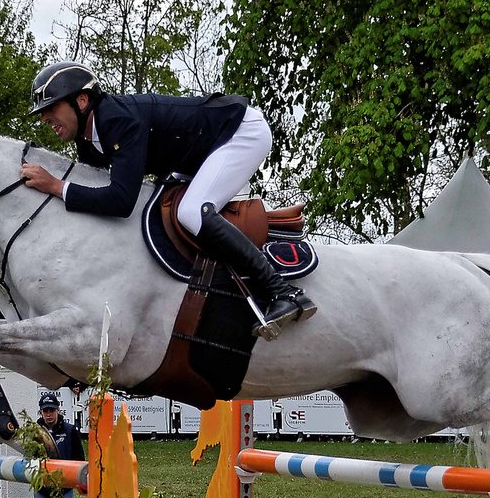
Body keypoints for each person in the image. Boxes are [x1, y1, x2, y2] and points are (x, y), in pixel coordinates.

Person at [20, 61, 315, 338]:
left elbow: (121, 202)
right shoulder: (88, 140)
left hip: (239, 132)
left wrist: (56, 186)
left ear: (81, 101)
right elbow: (95, 194)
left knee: (191, 213)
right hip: (198, 154)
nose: (45, 117)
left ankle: (283, 291)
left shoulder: (117, 119)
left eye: (52, 107)